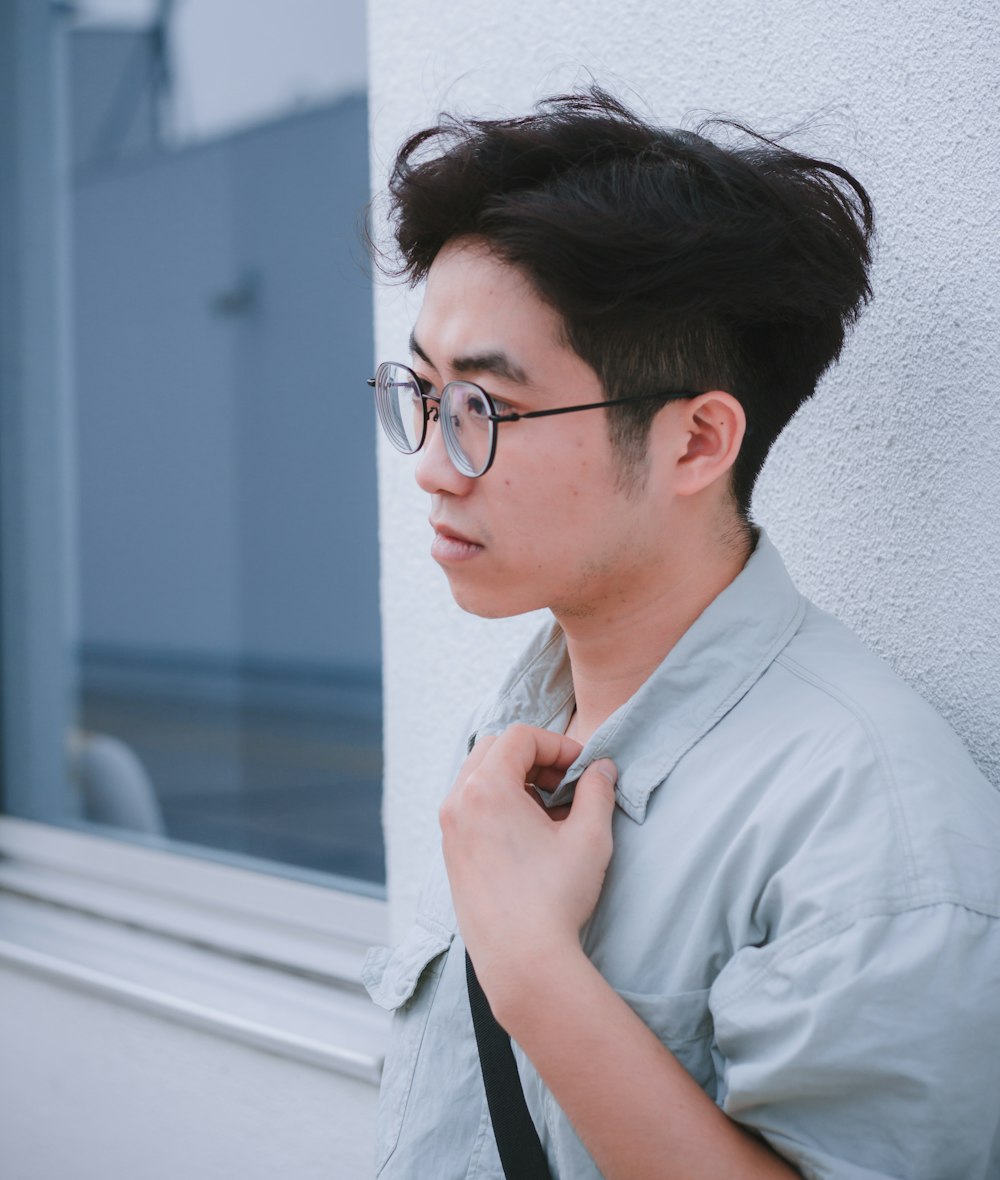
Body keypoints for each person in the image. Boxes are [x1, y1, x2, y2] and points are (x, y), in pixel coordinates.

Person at [362, 89, 1000, 1180]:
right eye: (421, 392)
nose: (426, 461)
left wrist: (532, 971)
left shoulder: (870, 832)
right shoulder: (518, 729)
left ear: (697, 441)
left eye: (483, 410)